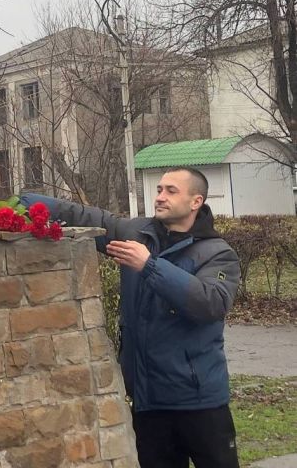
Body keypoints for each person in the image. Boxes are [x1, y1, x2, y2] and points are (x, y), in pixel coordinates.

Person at [21, 166, 240, 468]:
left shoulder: (218, 253)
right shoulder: (137, 233)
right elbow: (88, 218)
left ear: (196, 201)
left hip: (200, 403)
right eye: (160, 189)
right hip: (148, 402)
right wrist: (23, 202)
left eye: (171, 191)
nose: (160, 196)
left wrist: (149, 266)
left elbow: (210, 303)